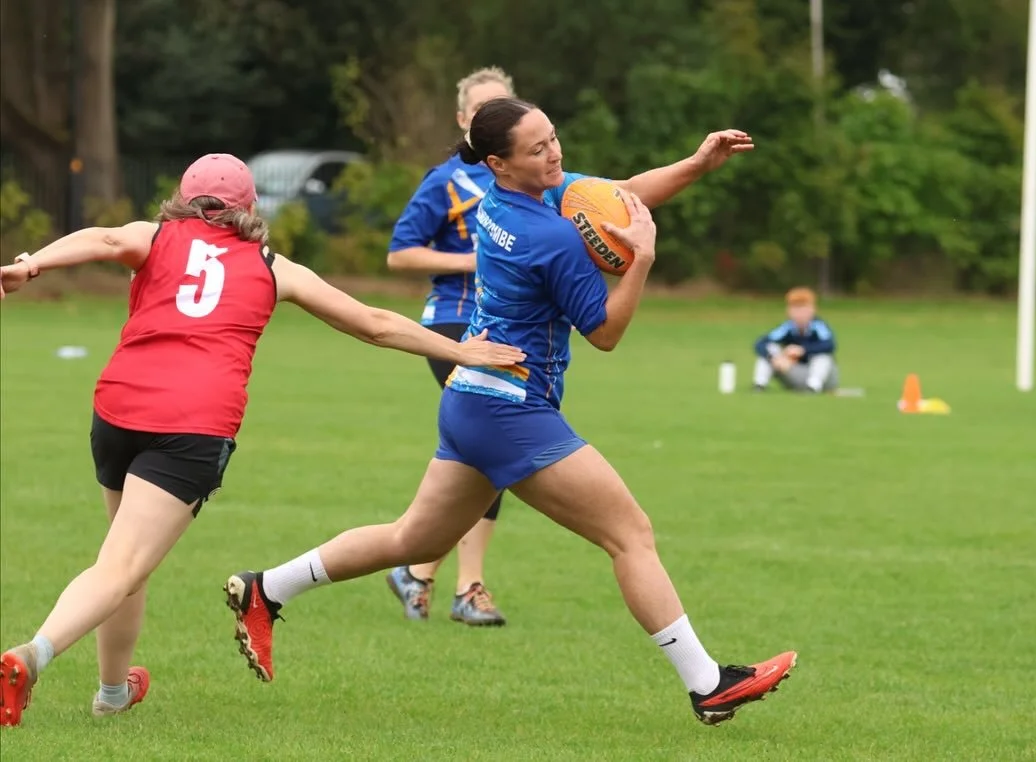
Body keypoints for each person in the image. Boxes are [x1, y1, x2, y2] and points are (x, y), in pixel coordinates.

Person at [225, 98, 796, 726]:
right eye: (538, 148)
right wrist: (644, 263)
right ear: (499, 161)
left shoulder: (509, 199)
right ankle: (708, 685)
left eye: (553, 138)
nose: (555, 153)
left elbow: (621, 196)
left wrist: (697, 163)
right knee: (629, 534)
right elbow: (604, 332)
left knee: (412, 539)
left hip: (472, 397)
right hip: (511, 410)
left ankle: (266, 587)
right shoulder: (548, 236)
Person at [0, 153, 525, 728]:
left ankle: (113, 693)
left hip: (118, 408)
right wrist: (459, 349)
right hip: (192, 425)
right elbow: (374, 322)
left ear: (183, 198)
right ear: (250, 208)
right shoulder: (275, 268)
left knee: (121, 562)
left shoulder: (154, 236)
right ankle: (33, 654)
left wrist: (33, 265)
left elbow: (101, 237)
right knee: (123, 566)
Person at [384, 66, 516, 627]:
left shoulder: (527, 179)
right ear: (463, 122)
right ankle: (466, 585)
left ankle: (418, 570)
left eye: (502, 110)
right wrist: (471, 259)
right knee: (499, 442)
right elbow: (400, 254)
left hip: (507, 327)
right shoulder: (445, 182)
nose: (491, 121)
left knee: (485, 452)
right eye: (481, 112)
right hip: (453, 324)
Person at [752, 287, 839, 393]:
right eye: (795, 309)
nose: (799, 314)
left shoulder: (819, 326)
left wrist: (802, 350)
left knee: (823, 357)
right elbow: (760, 343)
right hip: (795, 372)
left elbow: (829, 345)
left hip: (823, 378)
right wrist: (775, 358)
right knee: (770, 349)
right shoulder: (787, 327)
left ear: (812, 309)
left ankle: (813, 387)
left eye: (803, 308)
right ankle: (759, 385)